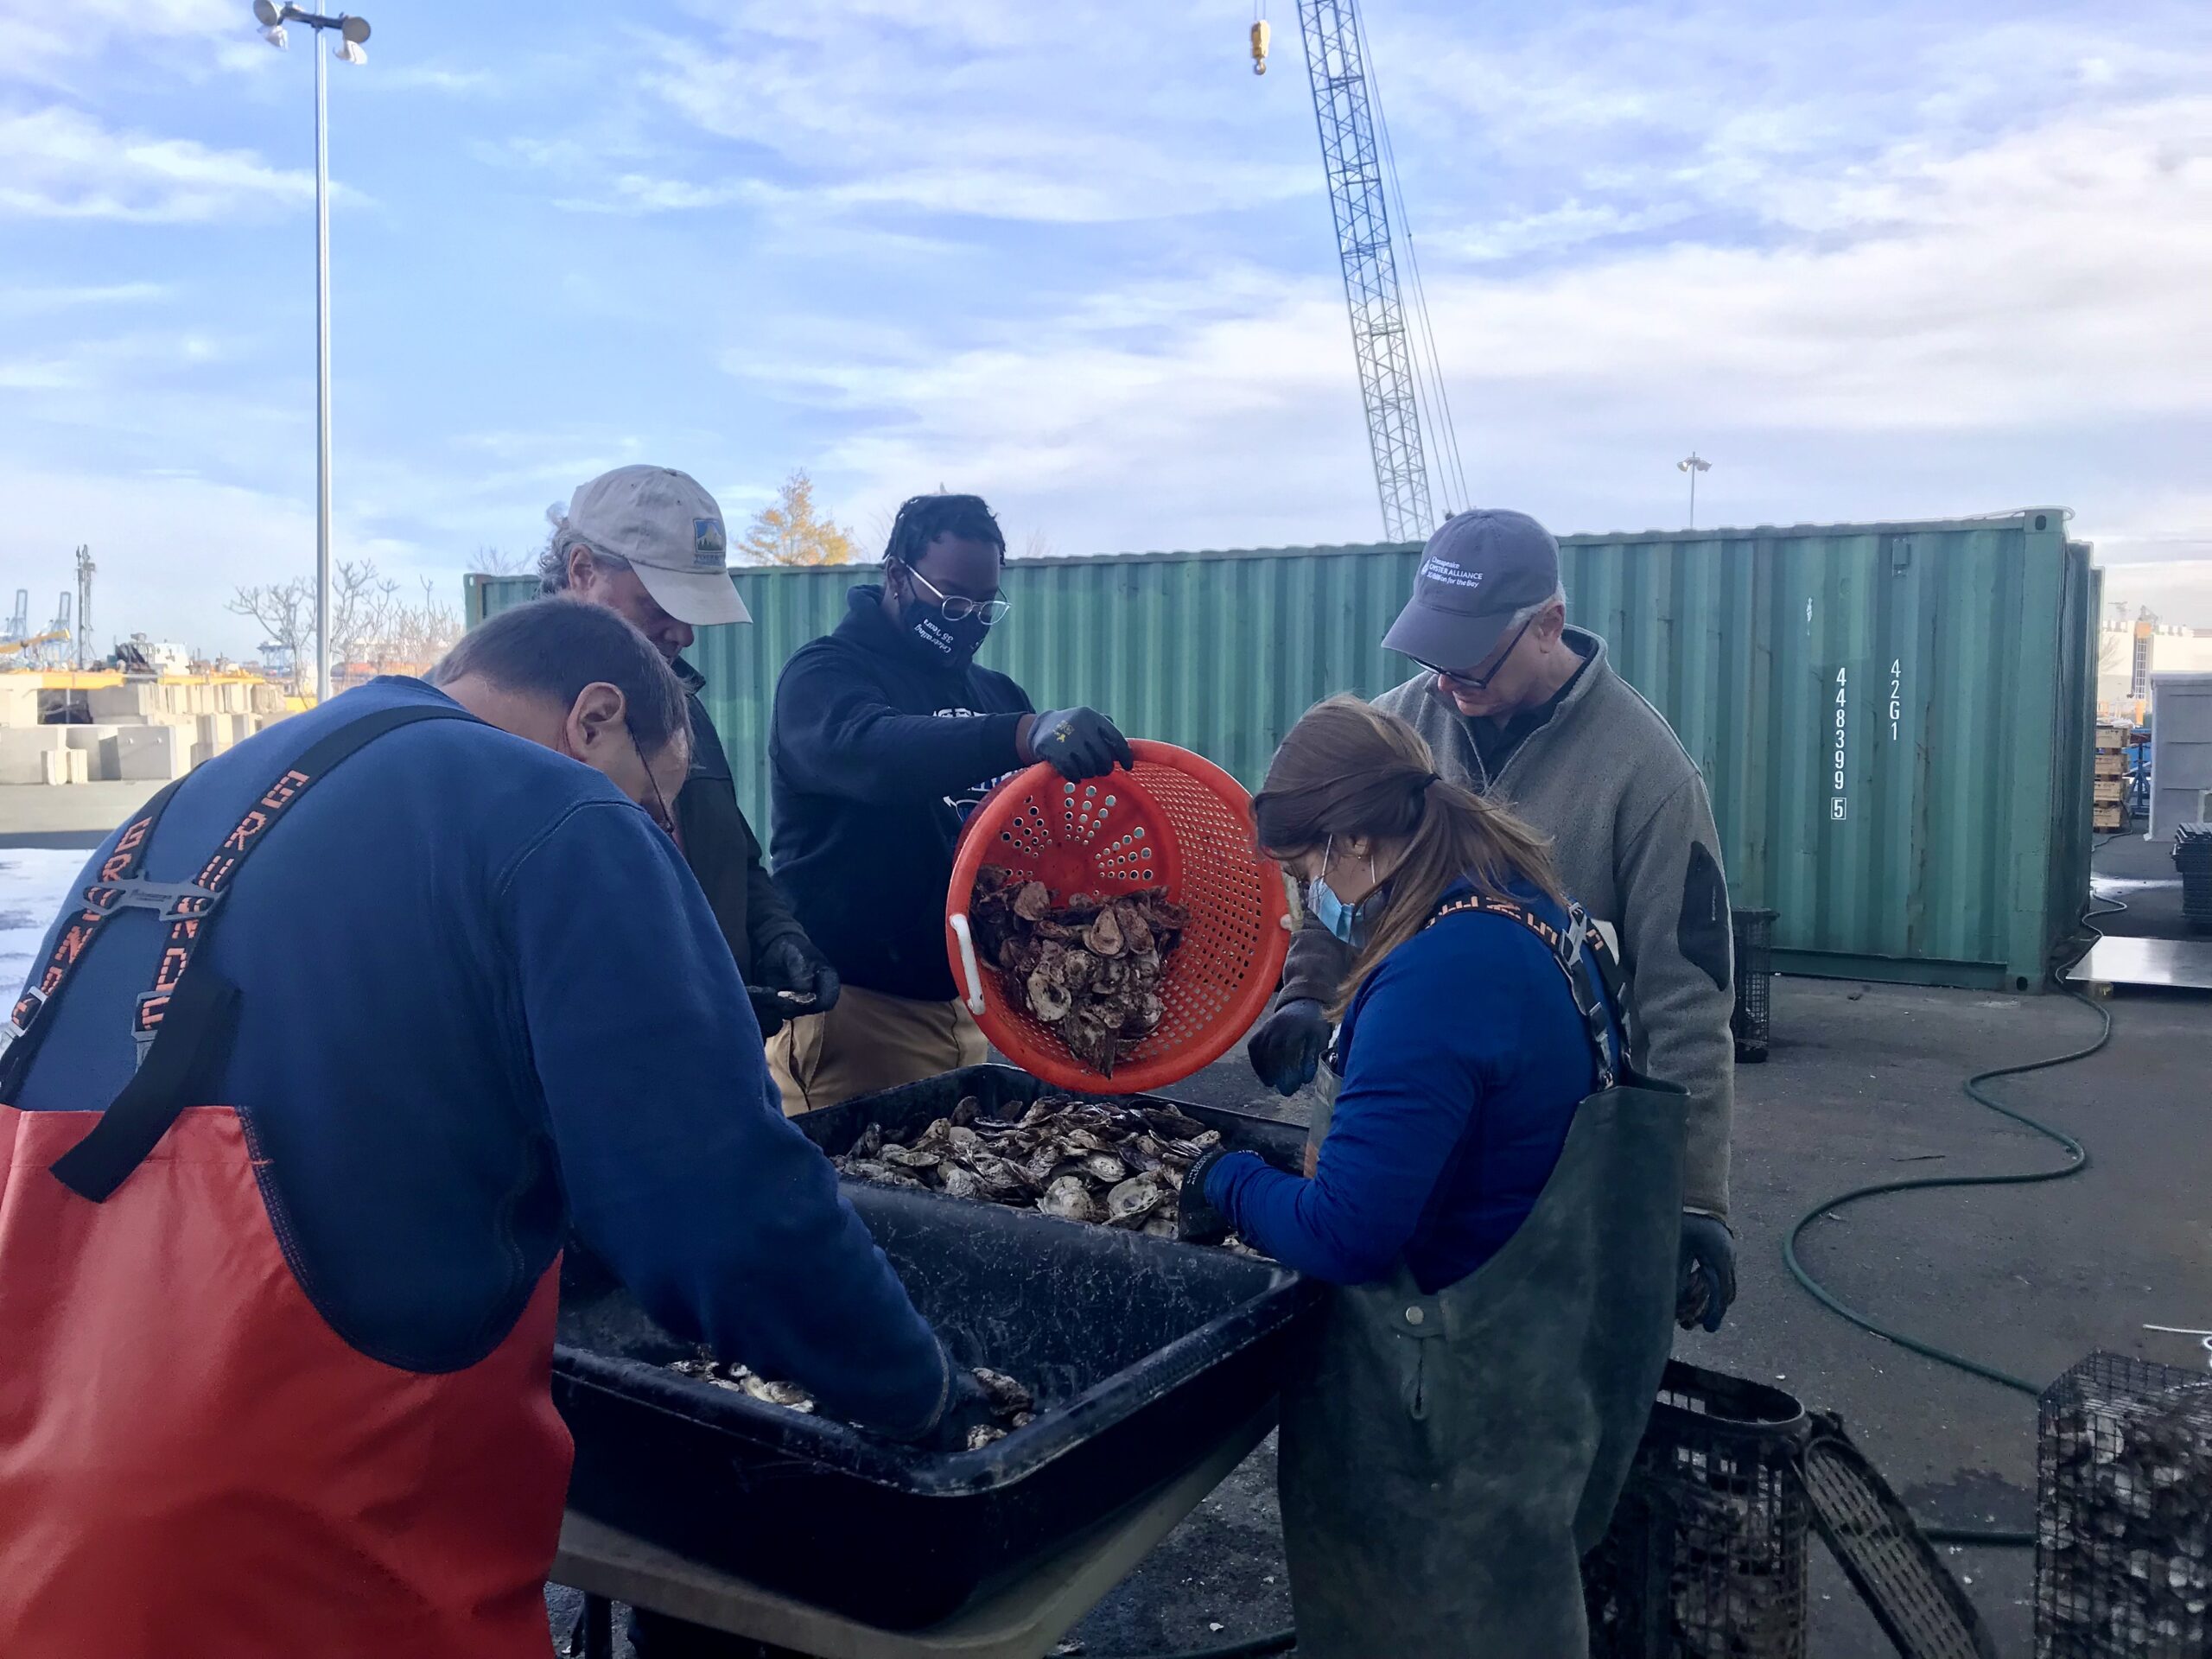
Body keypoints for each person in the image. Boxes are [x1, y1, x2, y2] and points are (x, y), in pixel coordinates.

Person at [0, 600, 976, 1659]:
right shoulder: (556, 808)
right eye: (660, 805)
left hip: (55, 1536)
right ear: (595, 718)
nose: (659, 837)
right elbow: (717, 1205)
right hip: (327, 1558)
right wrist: (916, 1392)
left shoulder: (186, 806)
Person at [1179, 696, 1686, 1656]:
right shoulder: (1524, 904)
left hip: (1446, 1396)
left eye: (1305, 872)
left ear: (1356, 841)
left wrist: (1230, 1183)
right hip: (1543, 1349)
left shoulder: (1440, 976)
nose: (1309, 899)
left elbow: (1347, 1233)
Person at [1246, 507, 1739, 1331]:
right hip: (1405, 1109)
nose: (1445, 686)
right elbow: (1328, 881)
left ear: (1548, 625)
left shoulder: (1647, 776)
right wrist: (1308, 989)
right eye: (1431, 658)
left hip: (1534, 1162)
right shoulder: (1400, 722)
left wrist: (1692, 1197)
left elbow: (1686, 999)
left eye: (1470, 665)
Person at [766, 491, 1133, 1112]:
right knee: (853, 1199)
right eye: (952, 601)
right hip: (857, 1013)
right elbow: (872, 752)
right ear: (895, 577)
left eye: (985, 605)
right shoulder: (825, 677)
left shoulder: (995, 693)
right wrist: (1019, 734)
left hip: (972, 1012)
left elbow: (1025, 840)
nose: (969, 619)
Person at [543, 462, 840, 1039]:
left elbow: (735, 862)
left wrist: (776, 938)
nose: (684, 633)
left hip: (713, 1061)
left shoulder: (682, 710)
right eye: (659, 603)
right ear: (582, 571)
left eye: (694, 609)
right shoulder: (503, 733)